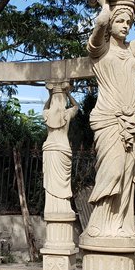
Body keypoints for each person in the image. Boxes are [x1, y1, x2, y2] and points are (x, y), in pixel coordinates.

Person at [85, 0, 135, 237]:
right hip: (109, 118)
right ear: (111, 24)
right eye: (120, 21)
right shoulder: (99, 50)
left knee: (128, 175)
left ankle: (120, 225)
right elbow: (99, 24)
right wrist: (107, 5)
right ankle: (98, 224)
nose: (126, 26)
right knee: (113, 170)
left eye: (128, 22)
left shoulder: (132, 51)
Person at [42, 82, 79, 216]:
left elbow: (44, 107)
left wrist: (50, 95)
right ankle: (62, 207)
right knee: (62, 182)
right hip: (63, 148)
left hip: (50, 148)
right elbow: (76, 106)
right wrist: (68, 94)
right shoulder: (67, 113)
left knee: (52, 183)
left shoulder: (47, 113)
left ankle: (53, 208)